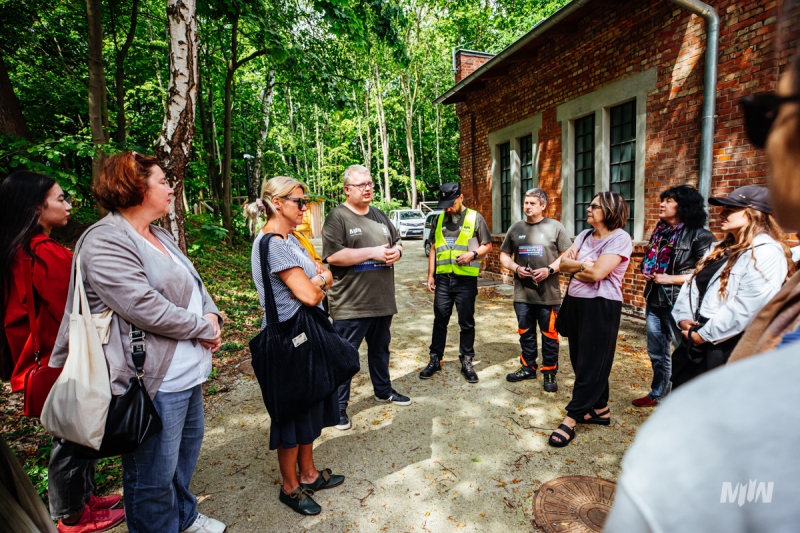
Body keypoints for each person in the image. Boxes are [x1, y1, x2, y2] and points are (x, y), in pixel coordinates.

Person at [605, 4, 800, 529]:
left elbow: (743, 305)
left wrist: (700, 328)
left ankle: (667, 388)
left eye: (769, 116)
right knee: (662, 355)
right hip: (691, 331)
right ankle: (663, 385)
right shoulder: (723, 247)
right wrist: (688, 317)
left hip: (714, 347)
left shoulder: (758, 255)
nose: (722, 214)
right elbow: (703, 283)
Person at [49, 152, 225, 533]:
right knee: (151, 475)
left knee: (182, 459)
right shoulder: (104, 240)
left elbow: (195, 283)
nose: (170, 187)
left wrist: (213, 316)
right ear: (135, 186)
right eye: (162, 181)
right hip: (149, 381)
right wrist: (202, 327)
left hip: (187, 372)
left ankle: (184, 516)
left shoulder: (158, 233)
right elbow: (143, 306)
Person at [0, 171, 125, 533]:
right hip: (64, 361)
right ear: (36, 208)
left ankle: (82, 500)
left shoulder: (18, 249)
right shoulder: (41, 252)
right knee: (72, 434)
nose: (68, 205)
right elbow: (72, 307)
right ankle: (72, 515)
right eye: (60, 200)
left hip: (44, 360)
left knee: (75, 428)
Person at [249, 176, 343, 516]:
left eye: (305, 201)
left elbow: (320, 274)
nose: (305, 208)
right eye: (298, 202)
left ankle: (309, 473)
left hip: (305, 334)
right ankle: (290, 487)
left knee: (309, 405)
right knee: (290, 414)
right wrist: (321, 280)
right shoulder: (272, 244)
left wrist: (319, 278)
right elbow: (309, 292)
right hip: (286, 340)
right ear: (276, 203)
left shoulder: (293, 240)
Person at [670, 185, 792, 389]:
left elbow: (749, 306)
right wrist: (683, 318)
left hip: (727, 343)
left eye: (731, 209)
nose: (722, 213)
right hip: (696, 336)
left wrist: (705, 334)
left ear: (754, 214)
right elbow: (691, 286)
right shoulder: (719, 249)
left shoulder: (766, 253)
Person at [322, 165, 410, 431]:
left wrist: (398, 252)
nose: (367, 188)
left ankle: (384, 391)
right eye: (361, 185)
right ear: (347, 189)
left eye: (370, 183)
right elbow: (334, 256)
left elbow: (398, 243)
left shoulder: (380, 215)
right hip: (351, 303)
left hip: (381, 300)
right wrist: (372, 252)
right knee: (346, 356)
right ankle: (338, 408)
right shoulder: (337, 217)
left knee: (380, 350)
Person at [546, 191, 632, 448]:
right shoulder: (584, 235)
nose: (588, 208)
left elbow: (598, 274)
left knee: (592, 362)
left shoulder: (620, 238)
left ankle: (572, 417)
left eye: (594, 206)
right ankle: (600, 409)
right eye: (590, 204)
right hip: (575, 303)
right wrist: (586, 266)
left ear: (610, 210)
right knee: (580, 359)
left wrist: (581, 267)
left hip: (601, 305)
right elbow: (564, 265)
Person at [633, 185, 715, 407]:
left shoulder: (701, 236)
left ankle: (691, 399)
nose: (662, 204)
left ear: (684, 206)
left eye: (669, 201)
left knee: (687, 352)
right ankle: (658, 393)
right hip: (654, 300)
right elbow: (648, 262)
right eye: (663, 200)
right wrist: (649, 271)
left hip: (681, 304)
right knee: (657, 352)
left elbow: (707, 273)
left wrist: (670, 279)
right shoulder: (659, 232)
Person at [499, 188, 571, 392]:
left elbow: (567, 256)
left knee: (549, 334)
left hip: (548, 295)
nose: (527, 206)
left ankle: (549, 371)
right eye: (525, 202)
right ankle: (528, 367)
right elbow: (504, 255)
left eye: (532, 203)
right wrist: (515, 268)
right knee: (526, 333)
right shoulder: (515, 228)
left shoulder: (555, 227)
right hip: (522, 295)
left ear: (543, 206)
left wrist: (549, 270)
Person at [419, 183, 492, 383]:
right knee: (439, 320)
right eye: (444, 205)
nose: (447, 208)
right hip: (443, 280)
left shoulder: (475, 218)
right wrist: (430, 274)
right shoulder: (439, 219)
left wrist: (472, 254)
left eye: (450, 204)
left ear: (460, 197)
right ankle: (435, 359)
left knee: (466, 322)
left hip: (465, 280)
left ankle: (466, 360)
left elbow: (488, 246)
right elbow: (433, 247)